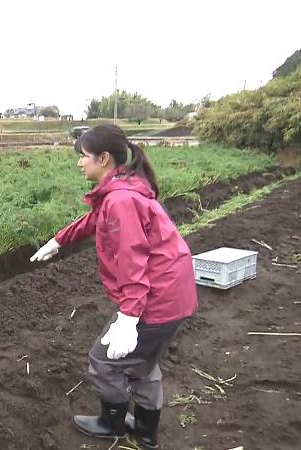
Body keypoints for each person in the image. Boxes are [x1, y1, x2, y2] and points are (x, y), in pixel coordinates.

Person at [31, 124, 197, 448]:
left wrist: (129, 318)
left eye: (83, 156)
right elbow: (96, 219)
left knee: (104, 360)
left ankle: (112, 423)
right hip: (173, 293)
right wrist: (58, 240)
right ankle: (146, 431)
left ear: (103, 158)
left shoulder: (120, 200)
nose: (79, 163)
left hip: (158, 297)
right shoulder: (121, 190)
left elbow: (133, 261)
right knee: (143, 363)